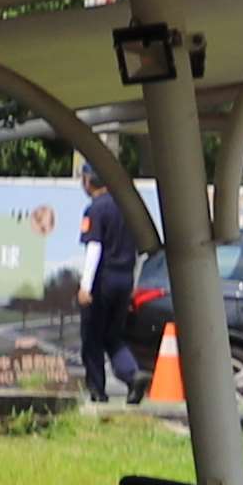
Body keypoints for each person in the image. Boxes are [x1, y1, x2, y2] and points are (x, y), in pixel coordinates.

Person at [75, 160, 162, 405]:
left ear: (88, 180)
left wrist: (85, 286)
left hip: (103, 281)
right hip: (124, 280)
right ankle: (132, 375)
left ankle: (97, 391)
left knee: (92, 337)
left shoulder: (95, 210)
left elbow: (94, 247)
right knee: (113, 337)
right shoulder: (126, 208)